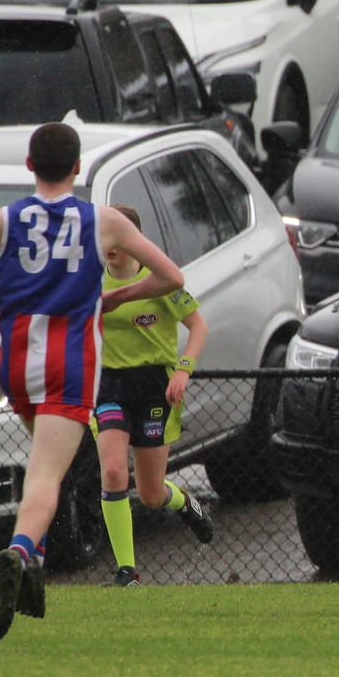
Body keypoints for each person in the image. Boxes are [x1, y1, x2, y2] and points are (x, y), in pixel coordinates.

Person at [0, 121, 183, 641]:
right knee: (47, 474)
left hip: (16, 359)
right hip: (69, 362)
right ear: (77, 167)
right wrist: (114, 297)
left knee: (44, 467)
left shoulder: (5, 218)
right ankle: (19, 554)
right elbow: (171, 277)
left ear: (29, 165)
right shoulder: (102, 220)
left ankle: (34, 567)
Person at [93, 203, 215, 587]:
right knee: (114, 471)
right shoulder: (92, 282)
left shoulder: (159, 280)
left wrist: (182, 369)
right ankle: (127, 572)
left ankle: (185, 502)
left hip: (153, 387)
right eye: (104, 237)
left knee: (150, 493)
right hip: (109, 385)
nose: (110, 245)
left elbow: (198, 327)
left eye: (117, 237)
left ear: (134, 240)